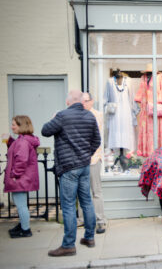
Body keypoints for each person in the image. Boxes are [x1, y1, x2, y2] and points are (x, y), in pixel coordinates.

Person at [42, 90, 101, 257]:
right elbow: (97, 140)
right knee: (86, 201)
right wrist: (85, 155)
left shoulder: (62, 116)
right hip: (84, 165)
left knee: (68, 205)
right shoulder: (90, 116)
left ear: (69, 101)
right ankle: (89, 238)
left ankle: (68, 245)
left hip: (69, 167)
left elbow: (45, 130)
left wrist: (54, 118)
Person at [3, 116, 40, 238]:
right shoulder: (23, 140)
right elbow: (18, 150)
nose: (12, 126)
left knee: (21, 205)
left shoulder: (23, 141)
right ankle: (23, 225)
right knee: (21, 203)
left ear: (21, 126)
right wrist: (9, 141)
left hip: (19, 179)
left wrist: (14, 175)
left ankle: (25, 230)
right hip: (23, 178)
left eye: (14, 124)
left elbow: (21, 160)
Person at [77, 92, 107, 234]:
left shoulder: (97, 115)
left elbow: (95, 137)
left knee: (96, 191)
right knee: (82, 191)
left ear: (92, 101)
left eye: (86, 101)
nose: (83, 104)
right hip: (80, 159)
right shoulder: (79, 114)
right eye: (81, 101)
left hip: (93, 158)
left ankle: (100, 221)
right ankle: (82, 219)